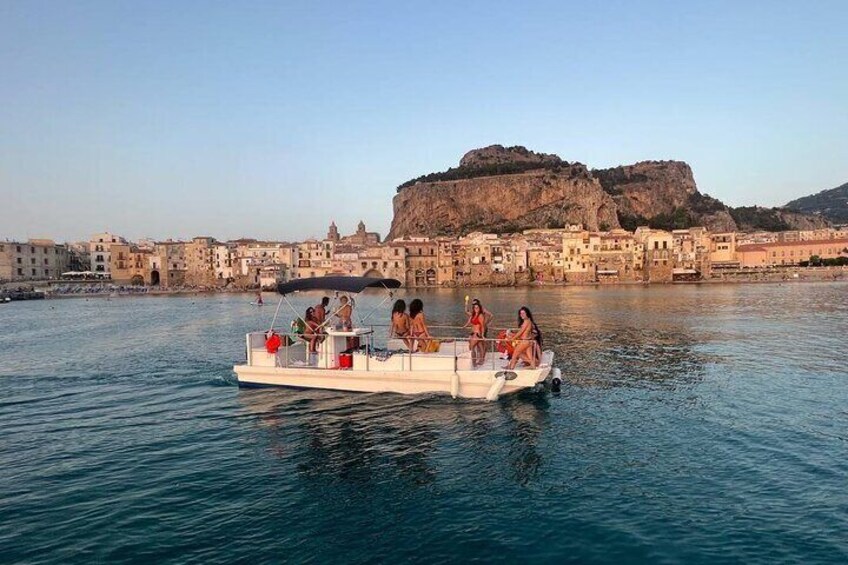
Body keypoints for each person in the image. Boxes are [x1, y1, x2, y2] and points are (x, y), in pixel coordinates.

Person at [463, 301, 487, 367]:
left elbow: (482, 326)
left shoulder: (480, 315)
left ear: (480, 308)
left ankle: (474, 363)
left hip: (477, 334)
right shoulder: (473, 315)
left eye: (477, 307)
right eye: (475, 308)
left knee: (471, 347)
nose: (476, 309)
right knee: (480, 346)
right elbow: (466, 311)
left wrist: (482, 335)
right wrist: (466, 303)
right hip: (472, 333)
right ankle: (480, 361)